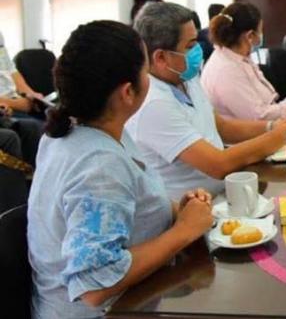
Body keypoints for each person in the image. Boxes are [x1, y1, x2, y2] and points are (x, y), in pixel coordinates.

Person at [28, 20, 214, 319]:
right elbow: (94, 287)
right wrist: (183, 231)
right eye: (145, 69)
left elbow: (123, 206)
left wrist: (176, 210)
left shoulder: (83, 130)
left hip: (139, 295)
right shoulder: (97, 165)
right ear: (128, 92)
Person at [127, 2, 286, 199]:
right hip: (190, 211)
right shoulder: (154, 104)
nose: (199, 50)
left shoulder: (185, 77)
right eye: (190, 45)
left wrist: (275, 126)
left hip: (223, 193)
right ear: (161, 57)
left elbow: (221, 126)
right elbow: (217, 165)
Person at [201, 2, 286, 121]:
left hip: (266, 123)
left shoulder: (238, 55)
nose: (261, 35)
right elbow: (260, 117)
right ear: (250, 36)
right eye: (260, 30)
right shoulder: (226, 71)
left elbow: (265, 104)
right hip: (250, 137)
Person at [0, 30, 44, 163]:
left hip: (17, 102)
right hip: (7, 107)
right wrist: (21, 103)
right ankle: (34, 179)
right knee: (35, 127)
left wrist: (32, 95)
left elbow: (13, 73)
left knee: (56, 116)